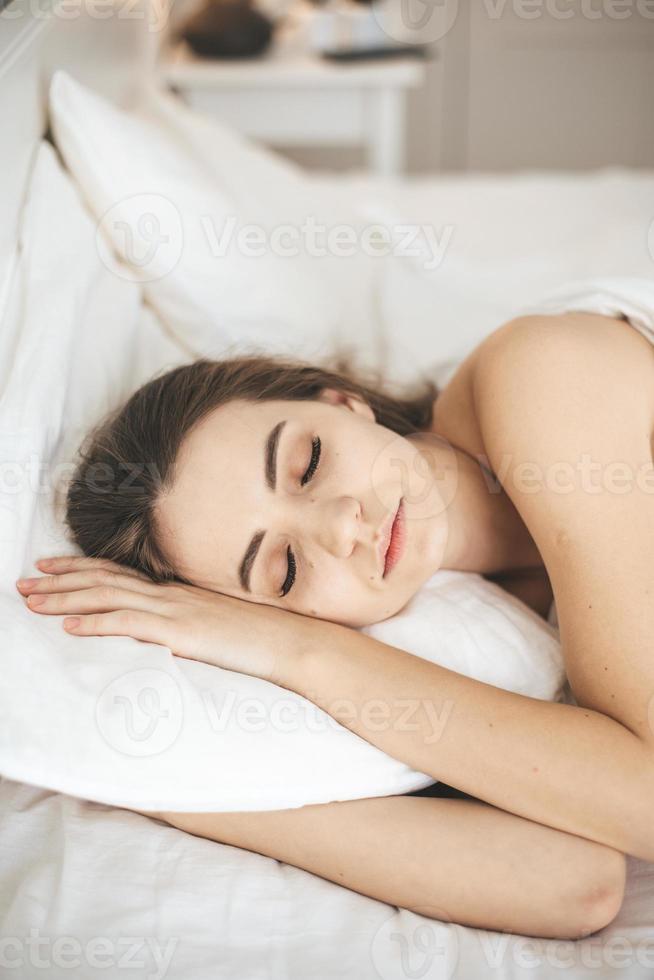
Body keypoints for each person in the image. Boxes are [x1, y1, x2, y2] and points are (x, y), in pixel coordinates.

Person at [18, 282, 654, 939]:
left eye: (309, 462)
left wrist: (307, 653)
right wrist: (174, 792)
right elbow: (573, 881)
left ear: (344, 402)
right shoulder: (468, 637)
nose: (343, 526)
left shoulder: (541, 376)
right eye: (284, 568)